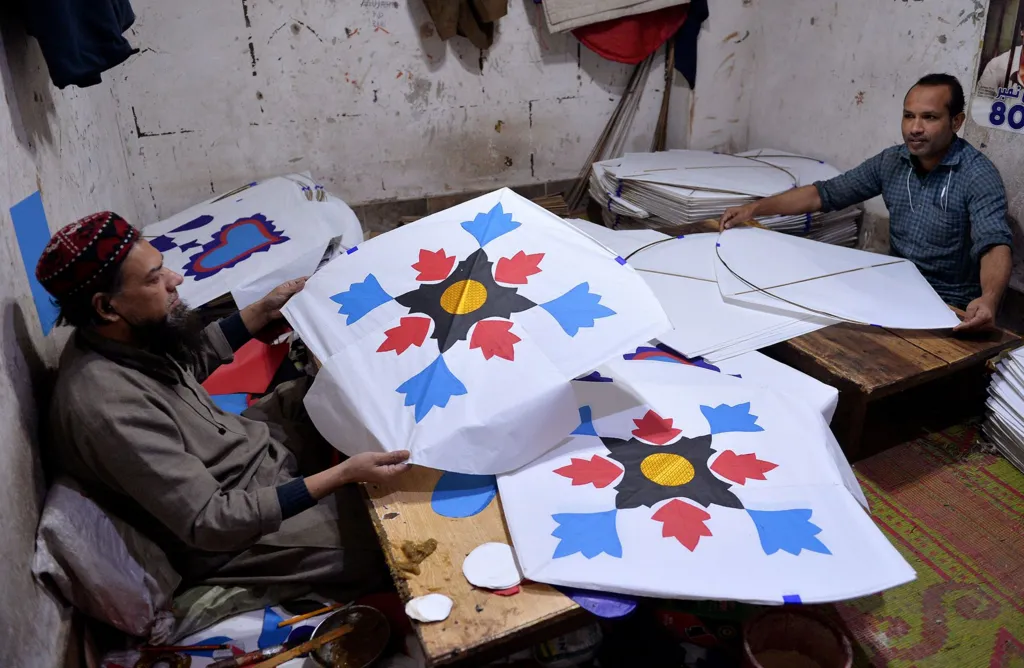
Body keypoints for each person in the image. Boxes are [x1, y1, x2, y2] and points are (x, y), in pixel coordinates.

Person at [39, 212, 411, 588]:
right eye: (154, 279)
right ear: (107, 306)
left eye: (162, 267)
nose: (175, 280)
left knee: (336, 387)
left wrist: (264, 309)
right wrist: (340, 476)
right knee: (391, 536)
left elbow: (185, 363)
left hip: (246, 447)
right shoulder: (106, 408)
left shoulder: (117, 338)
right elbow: (210, 522)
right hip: (235, 533)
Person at [720, 73, 1014, 332]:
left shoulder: (977, 175)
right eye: (908, 116)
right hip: (894, 290)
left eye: (930, 117)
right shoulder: (892, 161)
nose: (915, 128)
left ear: (956, 122)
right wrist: (754, 209)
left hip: (949, 309)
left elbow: (993, 243)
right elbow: (824, 194)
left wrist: (988, 300)